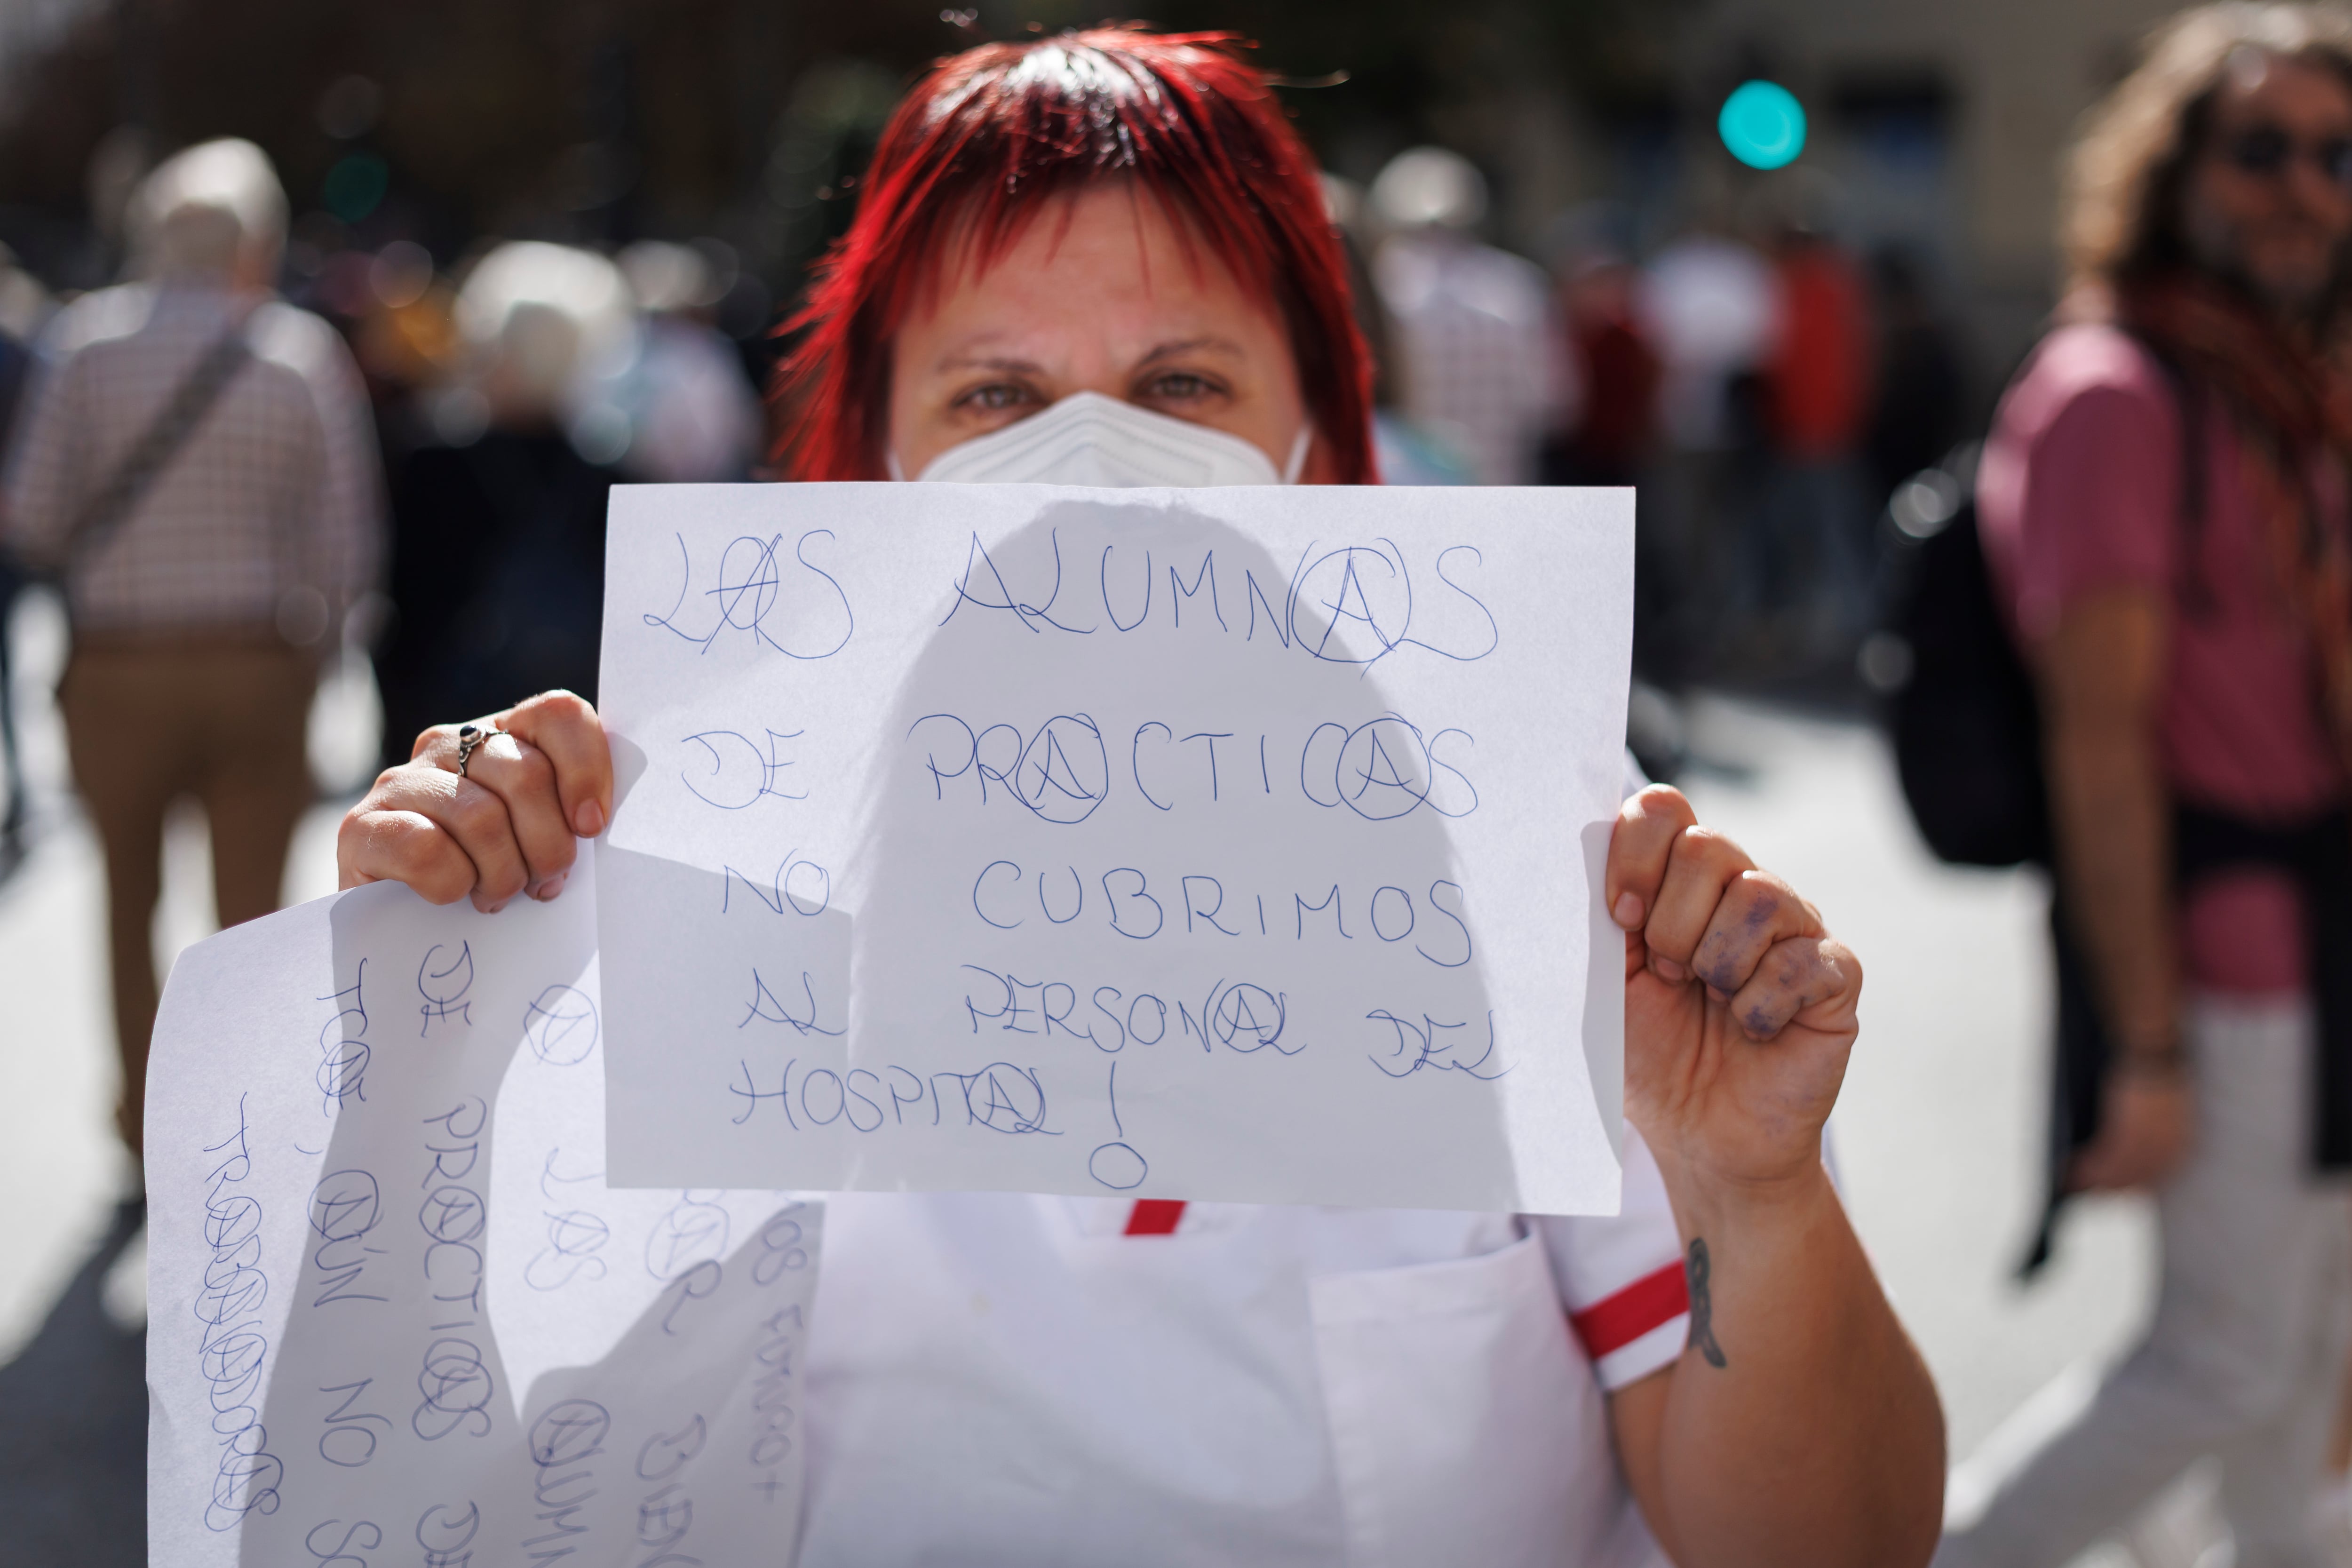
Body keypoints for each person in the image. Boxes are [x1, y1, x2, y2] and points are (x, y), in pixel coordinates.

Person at [334, 30, 1942, 1566]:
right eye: (995, 396)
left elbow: (1830, 1543)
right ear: (874, 455)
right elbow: (457, 1468)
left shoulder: (1556, 857)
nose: (1091, 459)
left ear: (1316, 434)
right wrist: (430, 1023)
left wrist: (1757, 1195)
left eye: (1178, 384)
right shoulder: (693, 862)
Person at [1942, 8, 2352, 1564]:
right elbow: (2096, 744)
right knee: (2223, 1360)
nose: (2303, 186)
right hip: (2231, 965)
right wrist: (2153, 1048)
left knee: (2311, 1356)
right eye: (2259, 148)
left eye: (2337, 153)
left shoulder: (2291, 392)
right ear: (2173, 169)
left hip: (2328, 953)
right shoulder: (2116, 395)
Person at [3, 138, 381, 1161]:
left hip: (120, 666)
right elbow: (346, 539)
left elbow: (31, 518)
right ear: (256, 245)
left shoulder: (84, 348)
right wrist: (326, 655)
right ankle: (240, 1129)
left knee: (126, 903)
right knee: (251, 918)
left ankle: (143, 1123)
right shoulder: (299, 355)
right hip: (258, 661)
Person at [369, 241, 624, 767]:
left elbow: (403, 611)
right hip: (564, 732)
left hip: (450, 726)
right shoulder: (609, 474)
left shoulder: (433, 463)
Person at [1368, 145, 1568, 486]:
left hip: (1410, 493)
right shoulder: (1519, 285)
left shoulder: (1383, 286)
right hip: (1504, 490)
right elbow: (1557, 403)